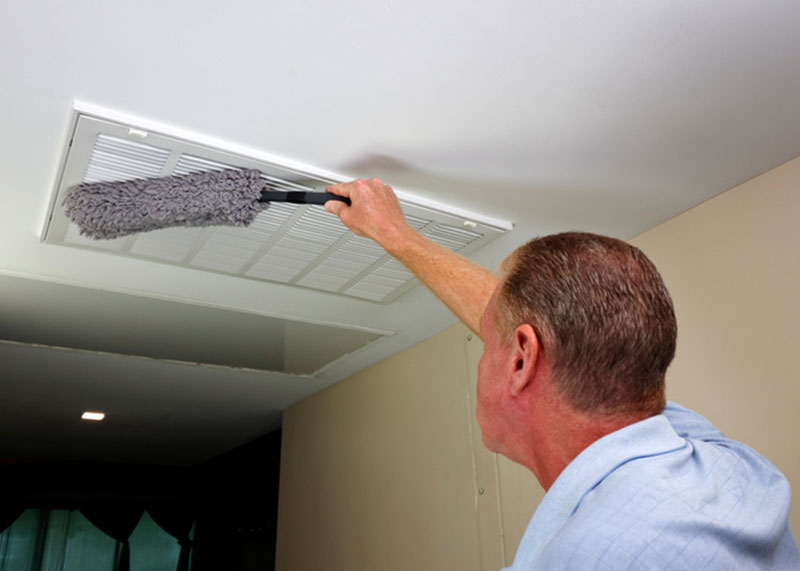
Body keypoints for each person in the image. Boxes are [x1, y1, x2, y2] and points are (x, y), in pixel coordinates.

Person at [324, 178, 800, 570]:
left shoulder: (582, 558)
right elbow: (529, 322)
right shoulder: (727, 466)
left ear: (520, 361)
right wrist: (396, 234)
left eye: (491, 344)